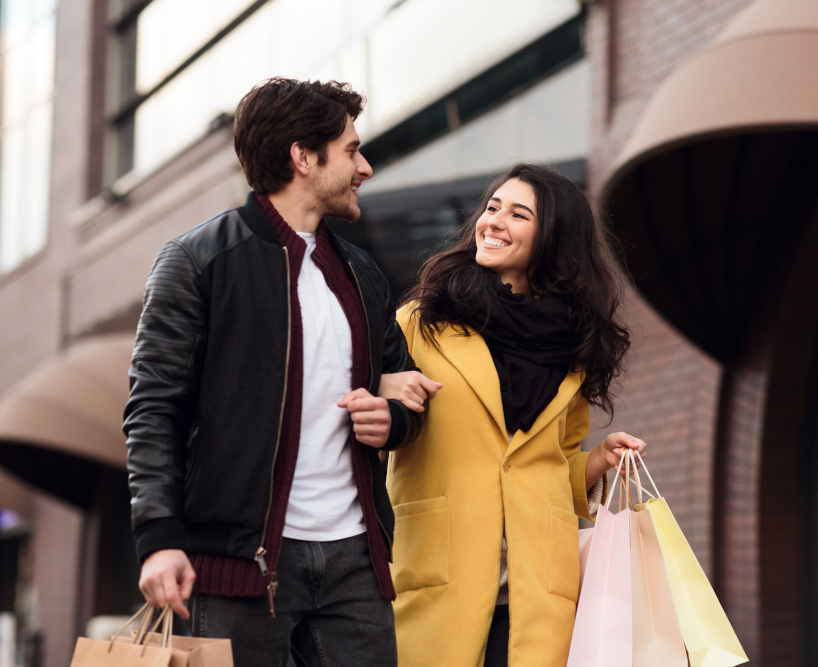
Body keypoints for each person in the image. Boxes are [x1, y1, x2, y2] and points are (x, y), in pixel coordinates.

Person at [123, 77, 423, 667]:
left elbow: (408, 390)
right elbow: (154, 407)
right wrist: (157, 538)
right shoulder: (199, 260)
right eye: (352, 150)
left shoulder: (362, 274)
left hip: (355, 564)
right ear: (303, 158)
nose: (365, 166)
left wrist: (392, 419)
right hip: (241, 566)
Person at [378, 163, 646, 666]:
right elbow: (373, 433)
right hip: (441, 579)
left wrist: (597, 463)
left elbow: (550, 465)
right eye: (492, 207)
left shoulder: (574, 348)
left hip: (538, 593)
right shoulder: (421, 322)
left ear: (554, 239)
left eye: (518, 213)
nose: (493, 220)